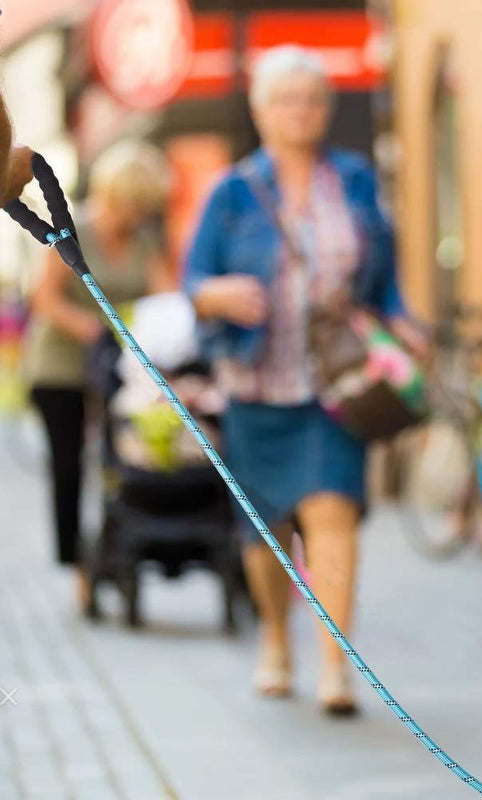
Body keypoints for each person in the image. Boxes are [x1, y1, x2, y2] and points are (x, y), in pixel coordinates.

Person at [184, 46, 425, 714]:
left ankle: (334, 668)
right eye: (286, 98)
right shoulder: (231, 190)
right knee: (267, 533)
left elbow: (387, 278)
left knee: (332, 511)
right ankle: (274, 639)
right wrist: (216, 296)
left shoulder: (352, 180)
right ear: (260, 109)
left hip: (337, 387)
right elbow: (192, 281)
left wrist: (402, 322)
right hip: (256, 384)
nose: (302, 111)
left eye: (313, 98)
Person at [25, 140, 173, 609]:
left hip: (119, 368)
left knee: (120, 461)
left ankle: (116, 548)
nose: (137, 216)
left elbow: (165, 295)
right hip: (61, 365)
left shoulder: (145, 241)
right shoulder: (72, 230)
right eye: (133, 205)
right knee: (69, 465)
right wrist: (95, 329)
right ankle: (75, 563)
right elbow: (43, 298)